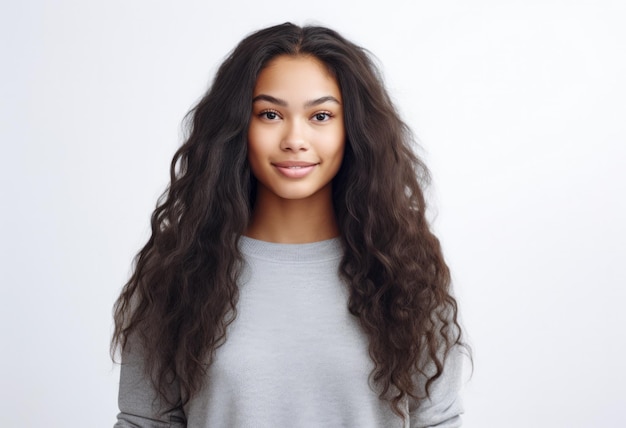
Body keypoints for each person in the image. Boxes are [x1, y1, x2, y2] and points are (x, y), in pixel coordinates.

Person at [112, 22, 468, 428]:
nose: (294, 138)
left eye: (320, 115)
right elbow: (144, 422)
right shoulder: (178, 269)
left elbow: (437, 420)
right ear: (236, 128)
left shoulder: (405, 268)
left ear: (352, 129)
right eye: (269, 114)